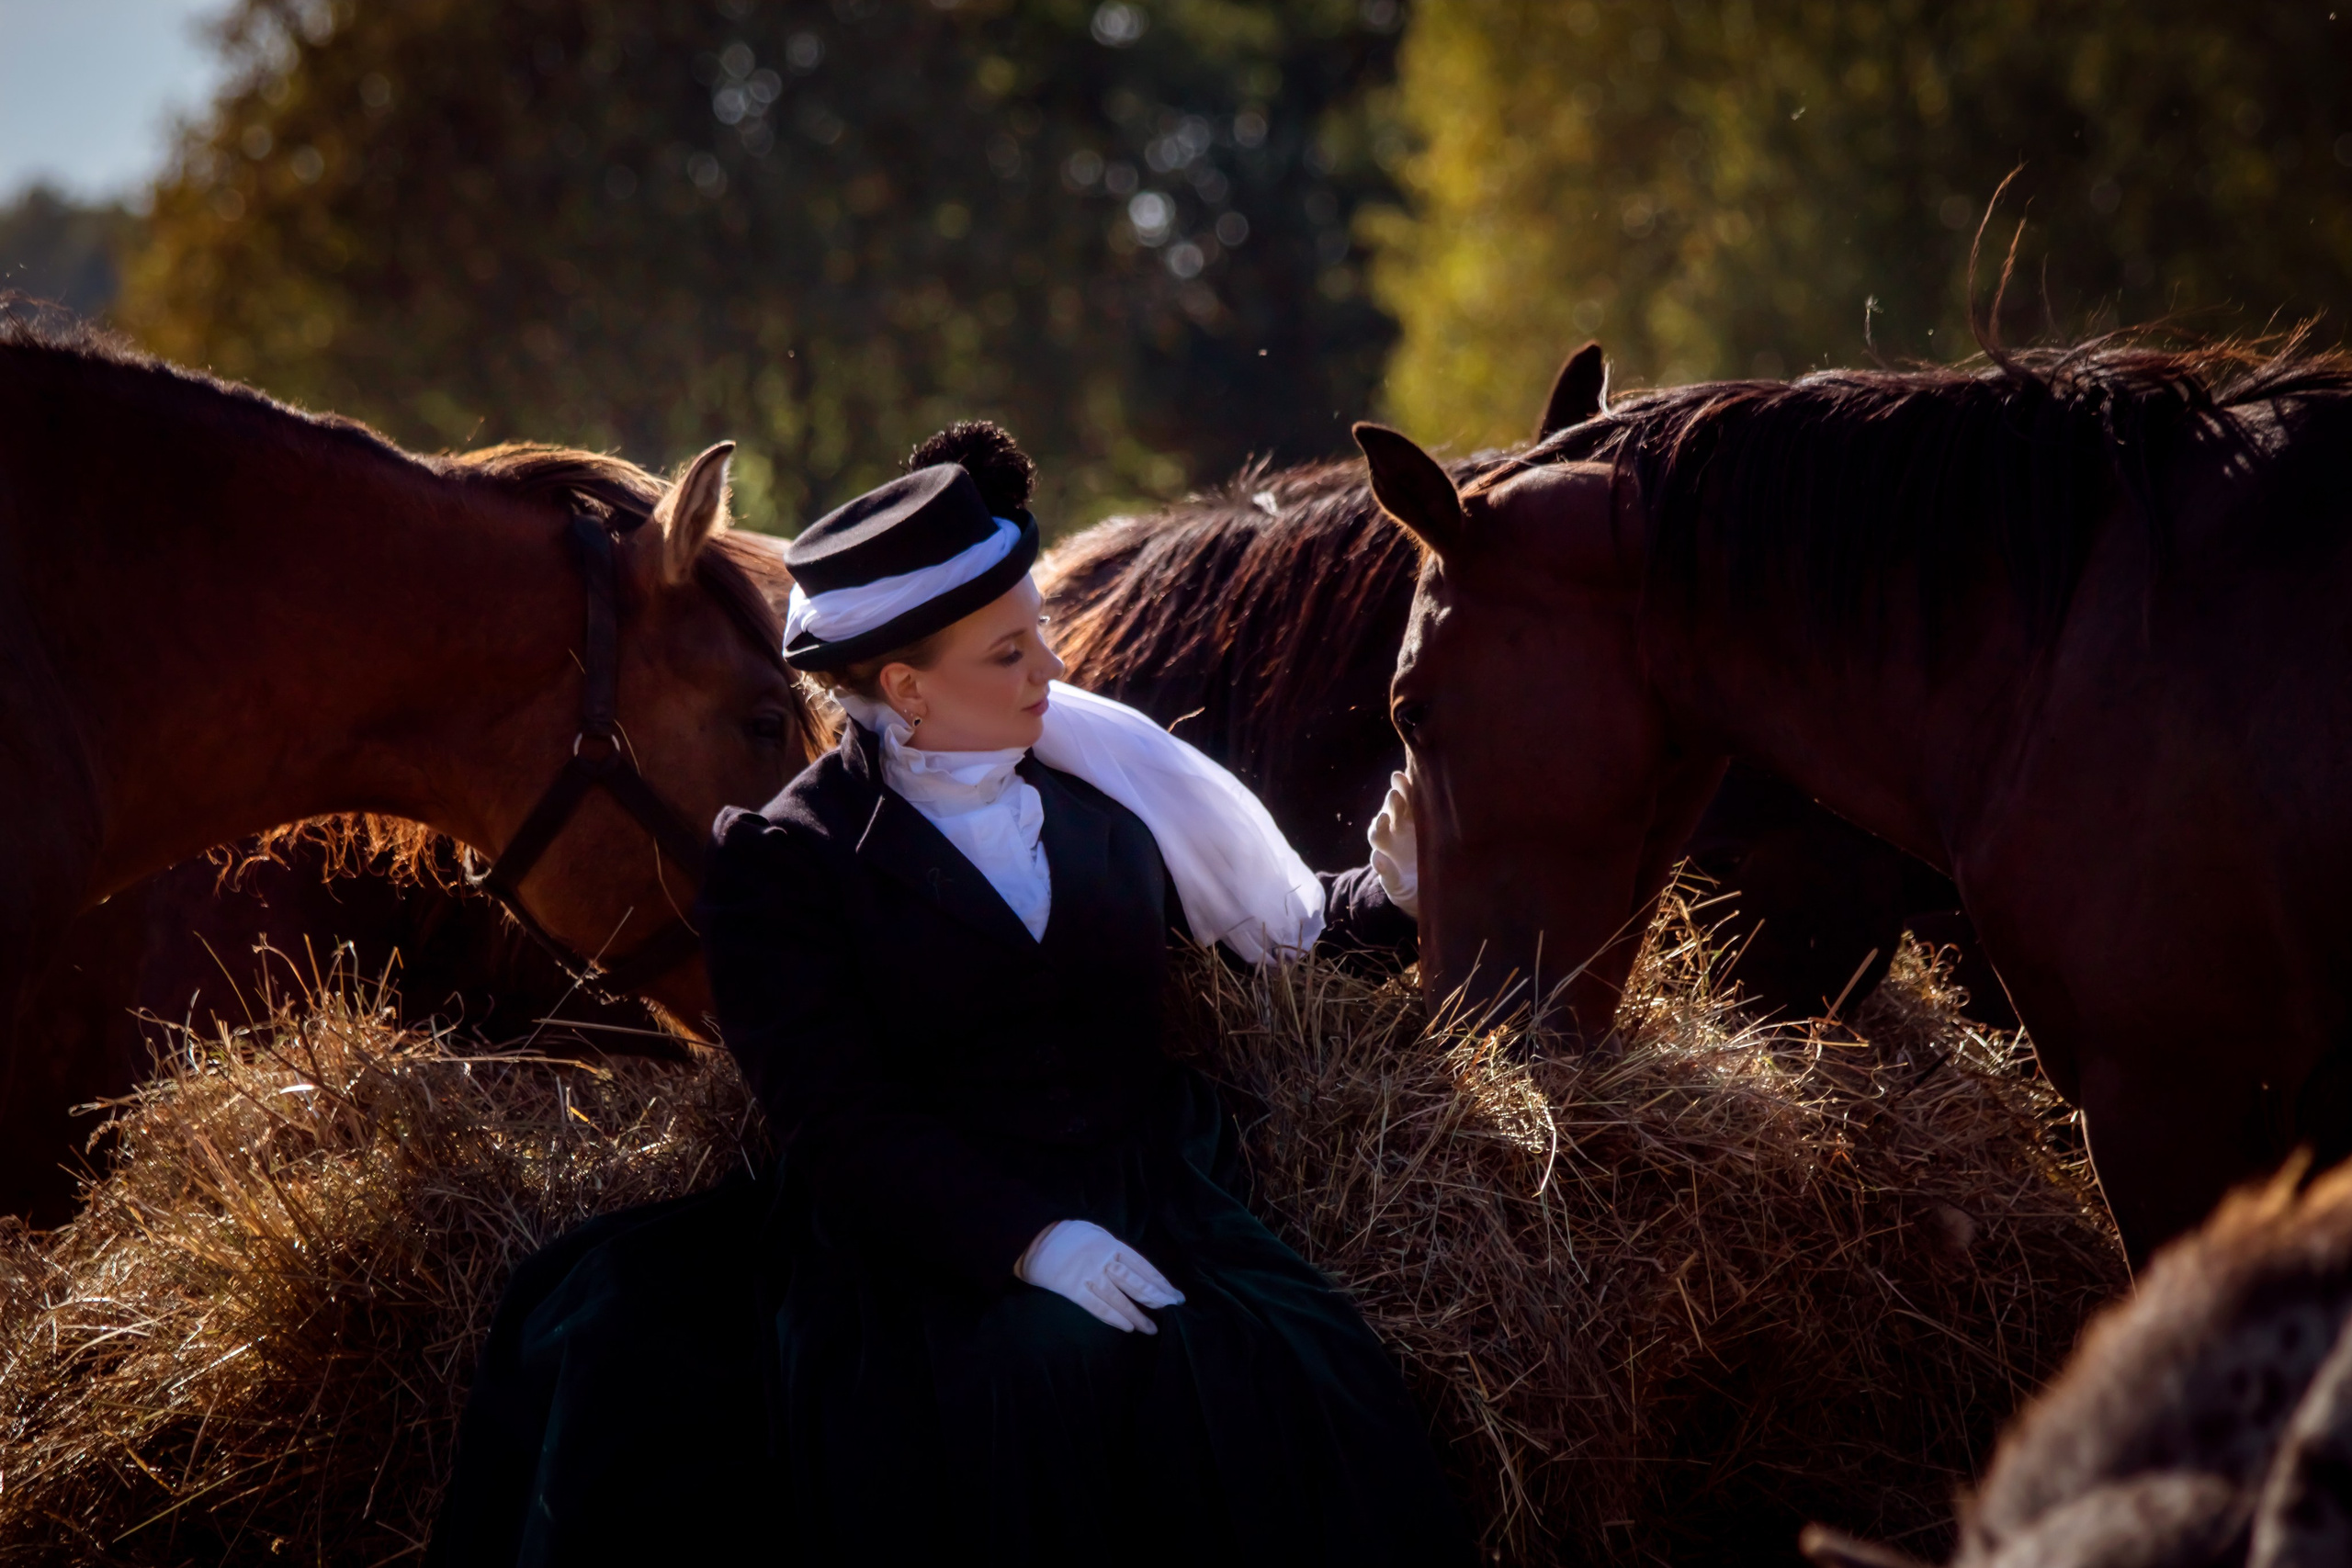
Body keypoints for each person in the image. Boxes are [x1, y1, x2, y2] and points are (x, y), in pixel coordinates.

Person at [428, 423, 1465, 1567]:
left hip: (1156, 1197)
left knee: (1308, 1370)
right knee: (1037, 1382)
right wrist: (1029, 1244)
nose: (1051, 673)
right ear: (909, 689)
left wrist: (1402, 890)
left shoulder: (1101, 809)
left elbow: (1278, 960)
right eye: (1009, 654)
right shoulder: (787, 866)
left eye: (1037, 640)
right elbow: (839, 1123)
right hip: (922, 1258)